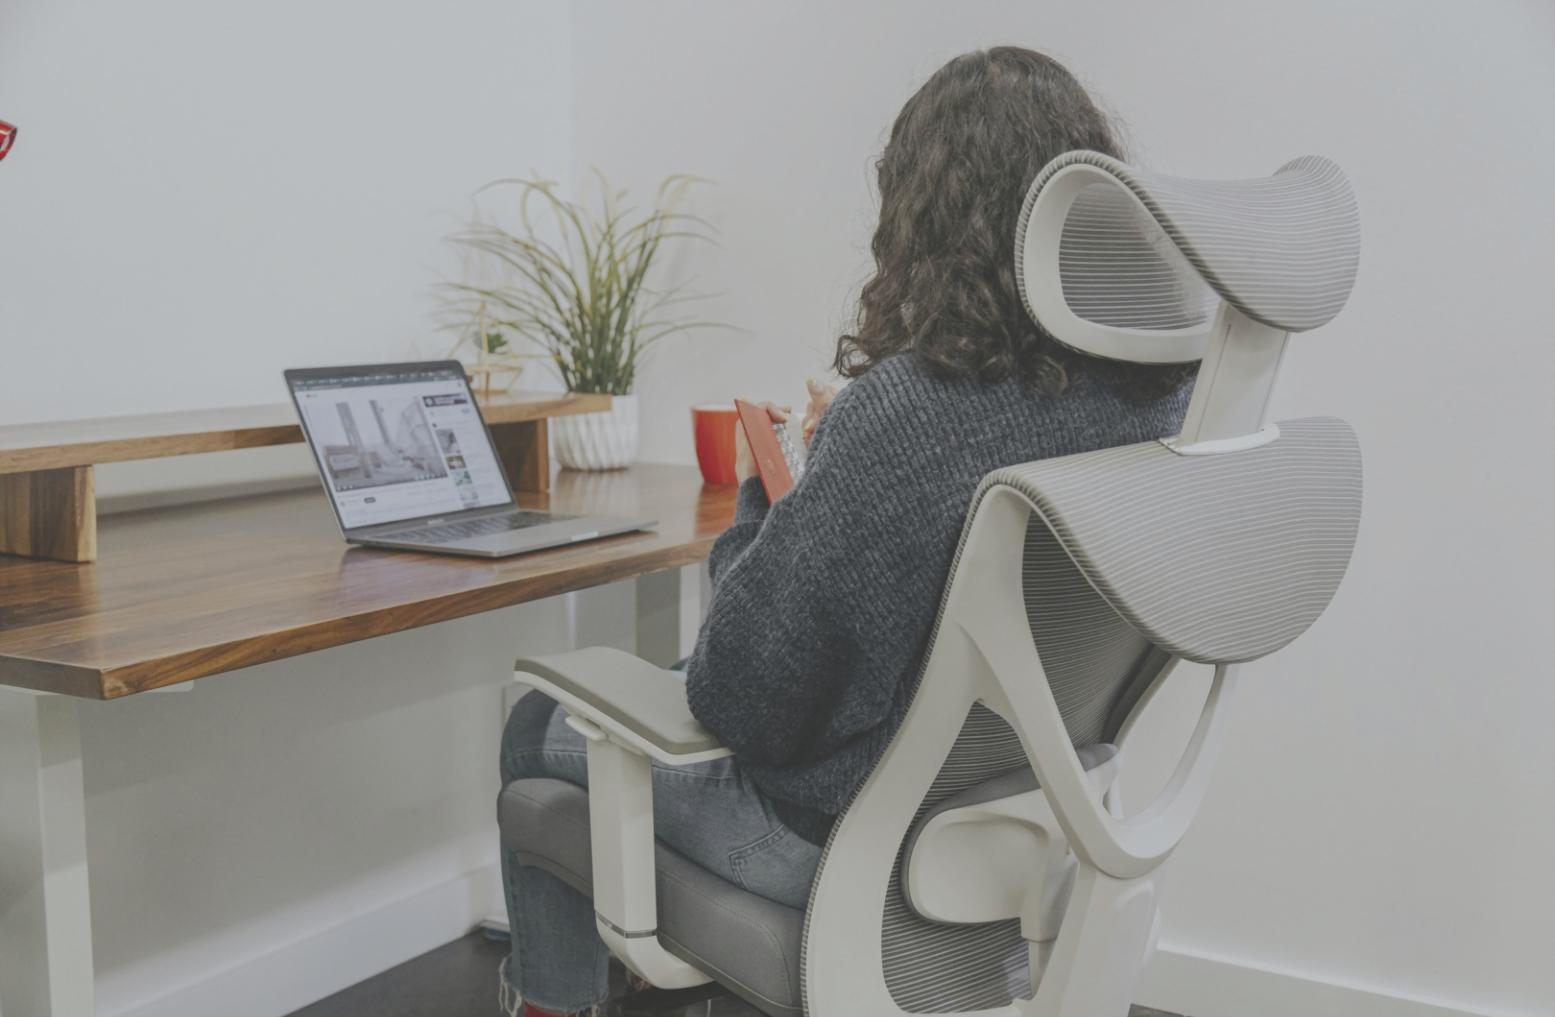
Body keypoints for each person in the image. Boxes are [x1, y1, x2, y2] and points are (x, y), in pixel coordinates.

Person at [497, 46, 1196, 1017]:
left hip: (839, 845)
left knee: (536, 725)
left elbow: (738, 699)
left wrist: (770, 490)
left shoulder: (910, 412)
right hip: (1031, 824)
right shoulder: (1155, 401)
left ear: (924, 217)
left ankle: (550, 1002)